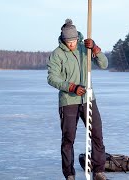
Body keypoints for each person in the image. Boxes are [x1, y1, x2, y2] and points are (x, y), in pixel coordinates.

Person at [47, 19, 108, 180]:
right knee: (68, 139)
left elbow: (104, 64)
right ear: (63, 40)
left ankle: (99, 171)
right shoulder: (57, 54)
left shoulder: (84, 49)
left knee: (97, 134)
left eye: (74, 41)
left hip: (88, 99)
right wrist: (71, 87)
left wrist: (95, 48)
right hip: (68, 102)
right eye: (68, 42)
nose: (72, 44)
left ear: (77, 39)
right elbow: (52, 78)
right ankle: (69, 174)